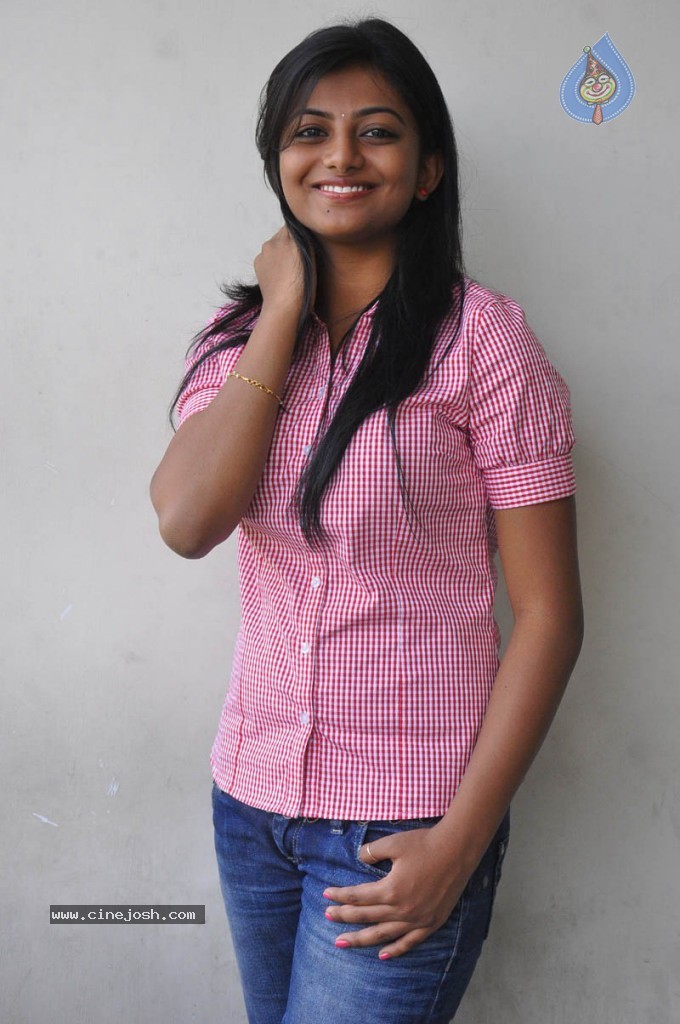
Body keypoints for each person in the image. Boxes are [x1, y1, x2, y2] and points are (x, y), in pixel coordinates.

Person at [150, 17, 584, 1024]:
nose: (340, 155)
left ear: (427, 169)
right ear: (279, 161)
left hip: (404, 823)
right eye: (310, 131)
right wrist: (281, 310)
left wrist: (457, 845)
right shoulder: (236, 341)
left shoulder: (483, 342)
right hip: (250, 805)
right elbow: (187, 520)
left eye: (377, 131)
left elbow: (551, 617)